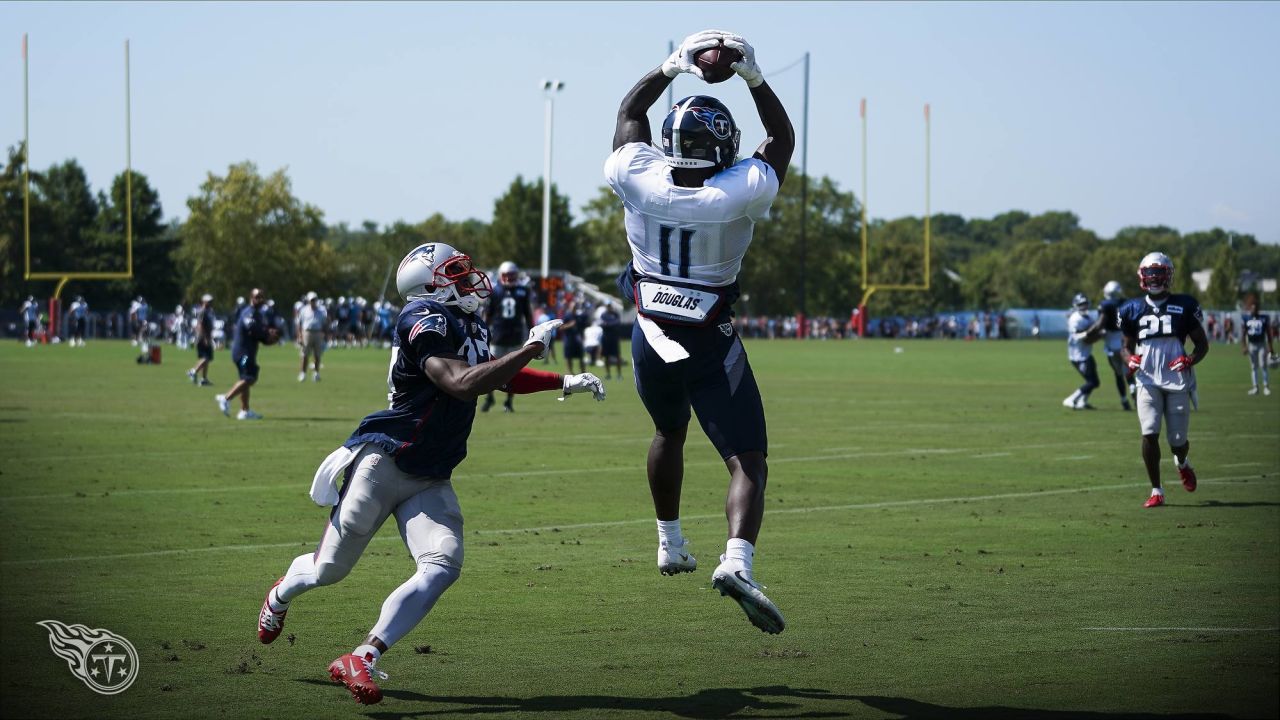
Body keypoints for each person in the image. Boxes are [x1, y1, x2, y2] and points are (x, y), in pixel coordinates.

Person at [254, 242, 605, 705]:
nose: (469, 278)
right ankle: (280, 595)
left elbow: (491, 373)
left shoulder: (465, 321)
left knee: (443, 564)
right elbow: (460, 383)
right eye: (456, 272)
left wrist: (561, 379)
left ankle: (364, 655)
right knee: (328, 570)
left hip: (432, 473)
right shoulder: (425, 318)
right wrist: (532, 347)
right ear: (430, 284)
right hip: (386, 462)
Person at [606, 29, 794, 633]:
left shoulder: (639, 176)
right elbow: (782, 140)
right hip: (708, 338)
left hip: (649, 332)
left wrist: (673, 66)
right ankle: (736, 561)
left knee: (668, 430)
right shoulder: (736, 191)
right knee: (748, 462)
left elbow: (629, 111)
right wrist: (753, 75)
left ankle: (670, 540)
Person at [1117, 252, 1209, 508]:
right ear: (1141, 276)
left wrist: (1190, 359)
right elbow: (1125, 347)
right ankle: (1156, 490)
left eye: (1159, 272)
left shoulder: (1185, 304)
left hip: (1177, 378)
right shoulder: (1131, 308)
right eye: (1150, 272)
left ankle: (1182, 461)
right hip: (1146, 378)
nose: (1154, 277)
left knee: (1177, 441)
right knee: (1149, 431)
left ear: (1168, 275)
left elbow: (1202, 344)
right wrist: (1129, 359)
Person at [215, 288, 278, 420]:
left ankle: (245, 411)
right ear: (251, 298)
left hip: (248, 352)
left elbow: (259, 335)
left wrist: (269, 339)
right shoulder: (248, 313)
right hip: (242, 354)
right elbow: (252, 328)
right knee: (250, 377)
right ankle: (226, 398)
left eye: (261, 297)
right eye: (257, 297)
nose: (260, 300)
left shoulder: (258, 314)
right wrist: (267, 334)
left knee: (245, 379)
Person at [481, 261, 533, 413]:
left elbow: (528, 315)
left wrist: (532, 331)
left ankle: (508, 402)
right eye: (506, 275)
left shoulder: (523, 291)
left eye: (512, 275)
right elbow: (488, 315)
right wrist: (483, 332)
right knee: (490, 370)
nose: (509, 278)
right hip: (497, 336)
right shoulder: (495, 291)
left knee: (514, 372)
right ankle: (489, 397)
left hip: (515, 336)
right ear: (501, 275)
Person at [1082, 281, 1131, 410]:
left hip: (1112, 342)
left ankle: (1124, 399)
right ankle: (1132, 389)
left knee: (1118, 373)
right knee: (1129, 371)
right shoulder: (1126, 302)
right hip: (1126, 340)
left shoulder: (1106, 305)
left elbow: (1100, 325)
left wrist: (1087, 333)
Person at [1064, 293, 1100, 410]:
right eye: (1081, 304)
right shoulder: (1075, 319)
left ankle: (1082, 402)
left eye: (1085, 304)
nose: (1084, 306)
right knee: (1092, 382)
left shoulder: (1088, 317)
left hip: (1086, 353)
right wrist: (1088, 333)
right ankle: (1071, 399)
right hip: (1078, 356)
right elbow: (1075, 336)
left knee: (1094, 382)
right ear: (1076, 305)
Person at [1241, 299, 1273, 395]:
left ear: (1257, 310)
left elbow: (1268, 333)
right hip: (1251, 345)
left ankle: (1266, 387)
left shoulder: (1263, 318)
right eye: (1252, 309)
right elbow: (1243, 334)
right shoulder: (1247, 318)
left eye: (1255, 309)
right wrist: (1244, 346)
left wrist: (1270, 346)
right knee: (1254, 366)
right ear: (1250, 309)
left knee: (1263, 365)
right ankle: (1255, 388)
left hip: (1261, 344)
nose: (1253, 310)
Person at [296, 291, 327, 382]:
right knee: (305, 355)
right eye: (312, 300)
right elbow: (299, 324)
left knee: (317, 355)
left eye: (314, 300)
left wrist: (324, 334)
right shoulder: (304, 310)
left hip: (318, 333)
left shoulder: (321, 310)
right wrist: (299, 336)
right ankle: (303, 373)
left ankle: (316, 374)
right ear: (308, 301)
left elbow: (324, 323)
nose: (313, 302)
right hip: (307, 332)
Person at [187, 294, 216, 386]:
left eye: (211, 301)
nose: (211, 303)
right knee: (205, 357)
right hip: (203, 337)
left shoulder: (209, 311)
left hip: (207, 336)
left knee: (207, 359)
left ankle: (204, 379)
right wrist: (205, 338)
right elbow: (200, 325)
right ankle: (193, 371)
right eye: (208, 301)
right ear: (204, 301)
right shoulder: (202, 311)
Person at [560, 299, 589, 375]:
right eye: (572, 307)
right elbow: (561, 327)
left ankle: (583, 373)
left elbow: (582, 327)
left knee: (581, 357)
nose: (574, 308)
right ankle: (570, 373)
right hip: (569, 339)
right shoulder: (567, 316)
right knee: (569, 357)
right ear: (570, 307)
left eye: (575, 307)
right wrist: (569, 325)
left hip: (577, 340)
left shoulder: (579, 317)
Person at [599, 301, 623, 380]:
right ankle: (608, 374)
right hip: (606, 338)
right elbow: (602, 324)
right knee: (606, 357)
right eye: (607, 306)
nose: (609, 307)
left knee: (617, 356)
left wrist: (608, 324)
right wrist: (610, 324)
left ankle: (619, 374)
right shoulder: (603, 315)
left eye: (610, 306)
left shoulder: (615, 314)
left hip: (614, 338)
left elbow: (616, 323)